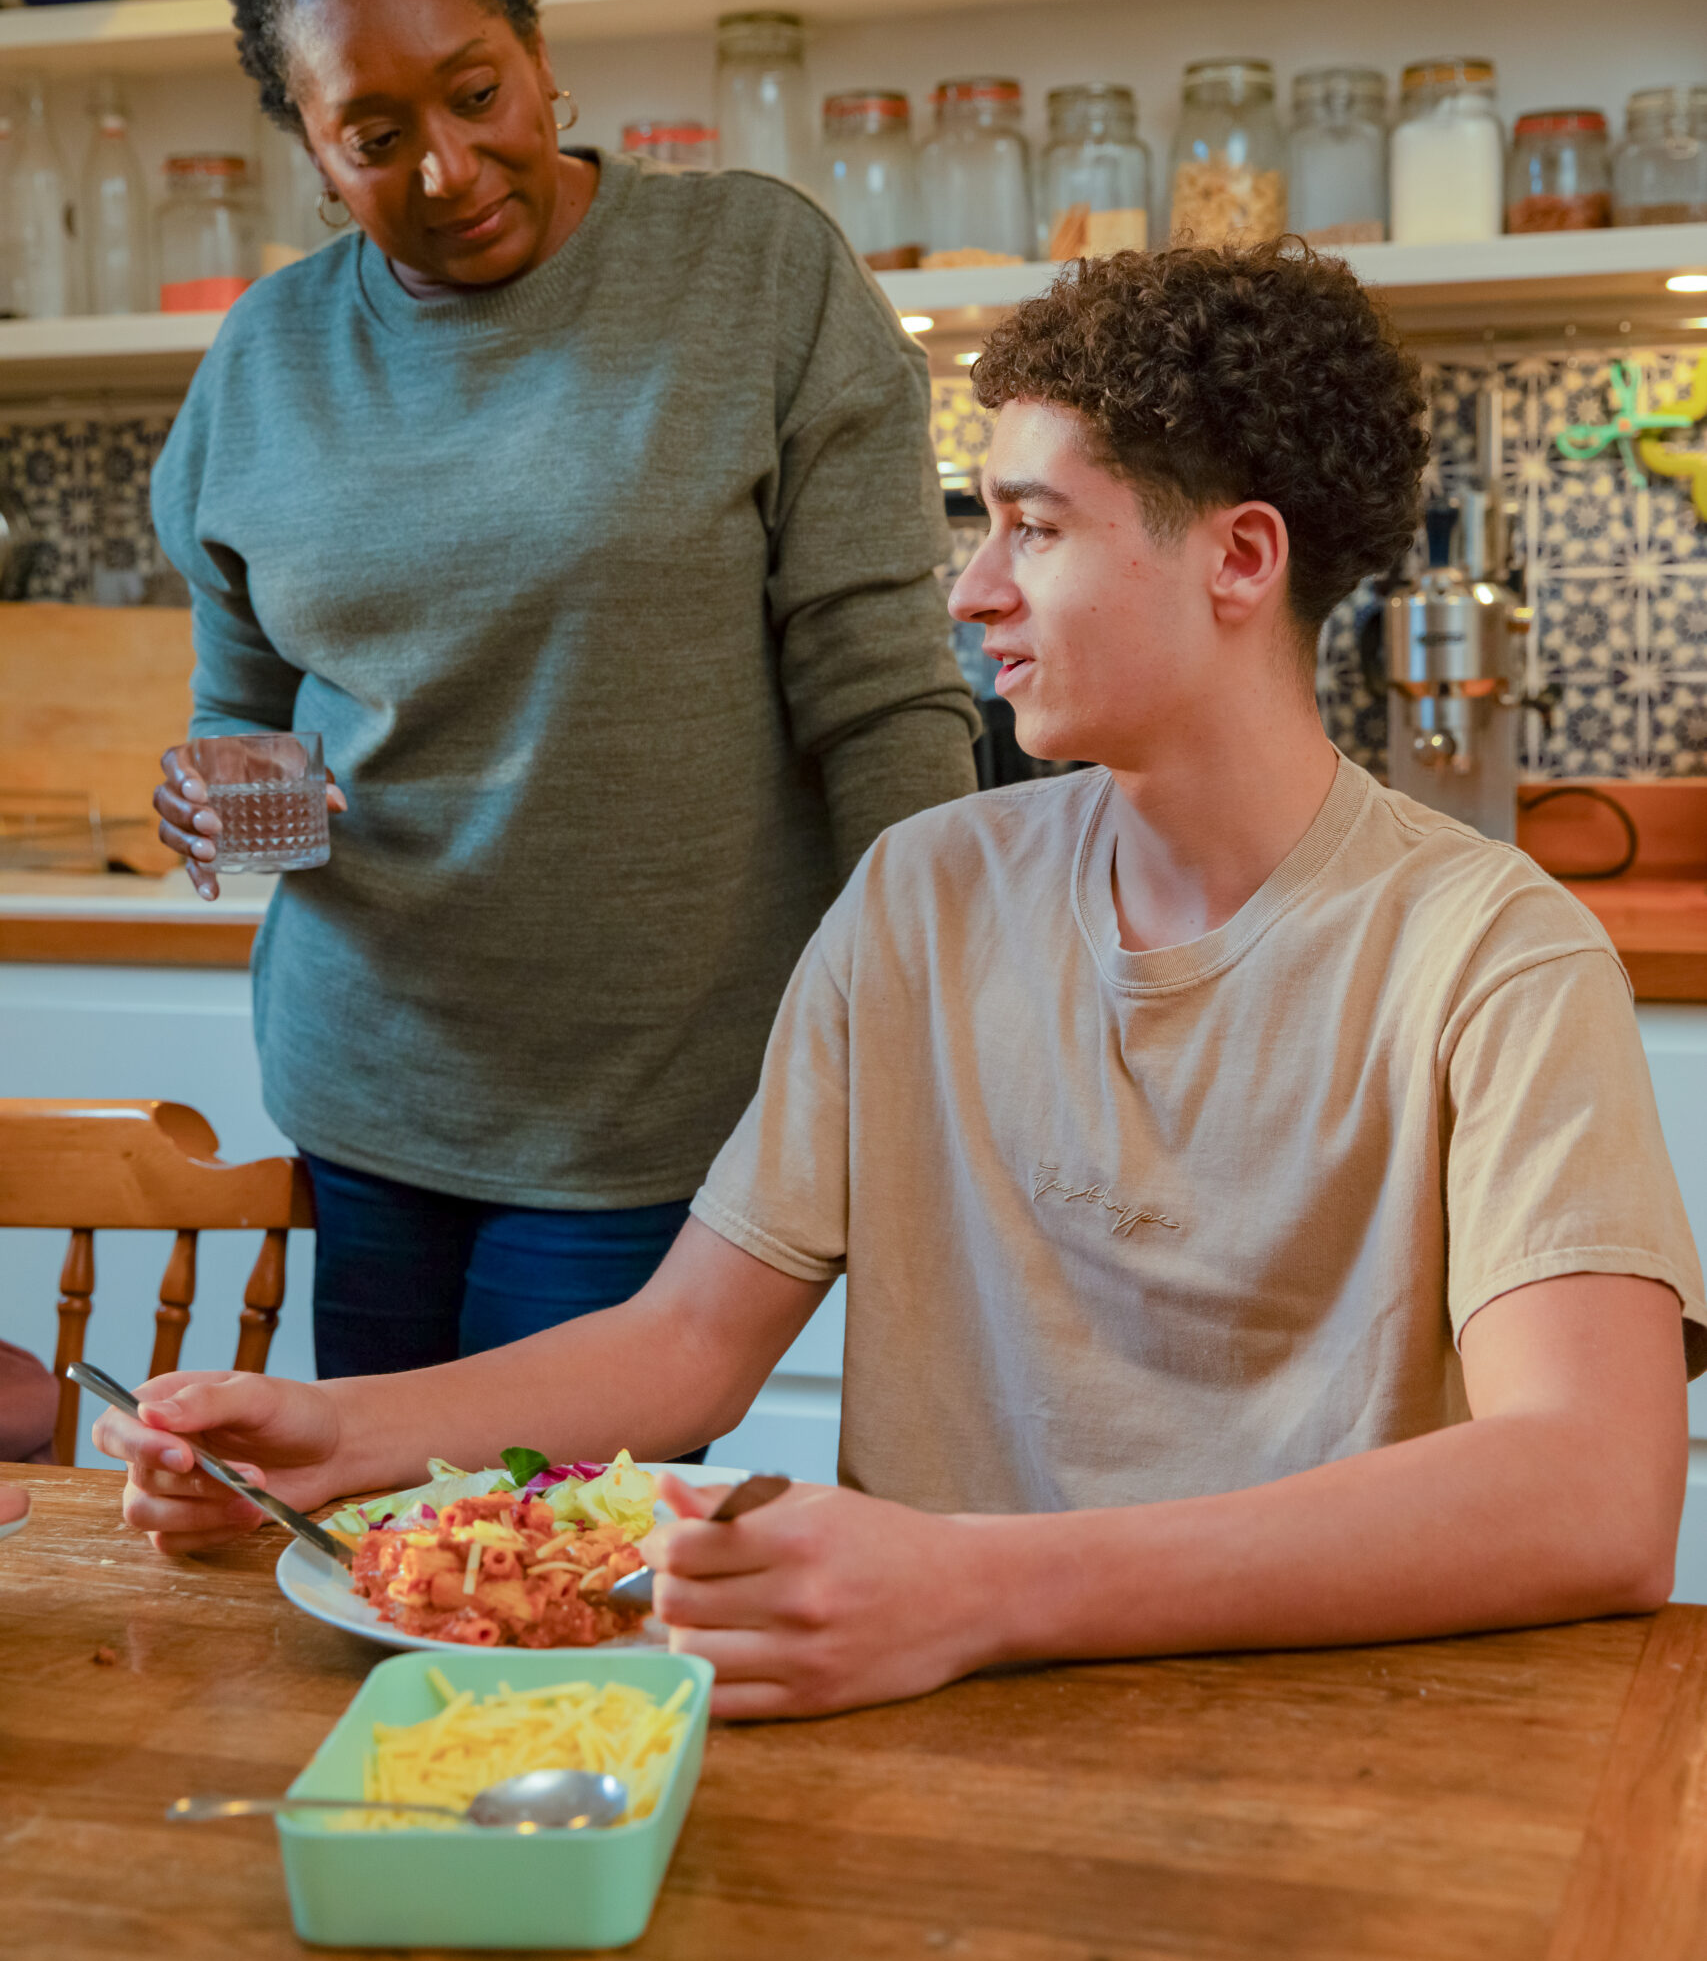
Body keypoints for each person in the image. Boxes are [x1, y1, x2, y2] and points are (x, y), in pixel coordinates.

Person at [106, 244, 1704, 1723]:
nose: (971, 588)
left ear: (1241, 558)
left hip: (1331, 1748)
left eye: (1038, 526)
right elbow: (684, 1349)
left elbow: (1593, 1497)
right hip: (924, 1728)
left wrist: (978, 1588)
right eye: (981, 525)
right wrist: (345, 1438)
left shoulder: (1491, 953)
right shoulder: (925, 895)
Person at [148, 0, 976, 1383]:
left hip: (660, 1106)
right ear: (313, 154)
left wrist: (917, 1025)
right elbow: (245, 719)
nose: (448, 171)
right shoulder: (264, 359)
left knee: (546, 1573)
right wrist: (216, 793)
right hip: (366, 1084)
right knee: (386, 1570)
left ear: (539, 53)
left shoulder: (755, 276)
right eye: (373, 136)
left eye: (475, 94)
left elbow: (884, 699)